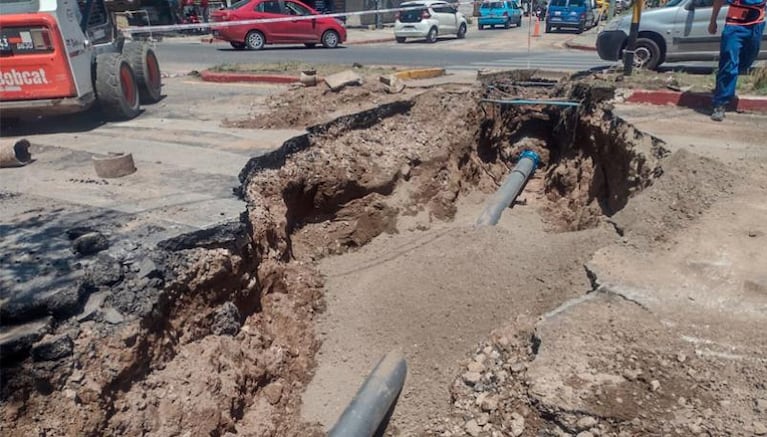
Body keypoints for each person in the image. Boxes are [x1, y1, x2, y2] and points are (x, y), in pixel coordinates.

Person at [708, 0, 766, 121]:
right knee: (729, 62)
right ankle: (720, 104)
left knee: (749, 59)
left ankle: (723, 86)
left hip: (756, 24)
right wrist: (713, 21)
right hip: (734, 25)